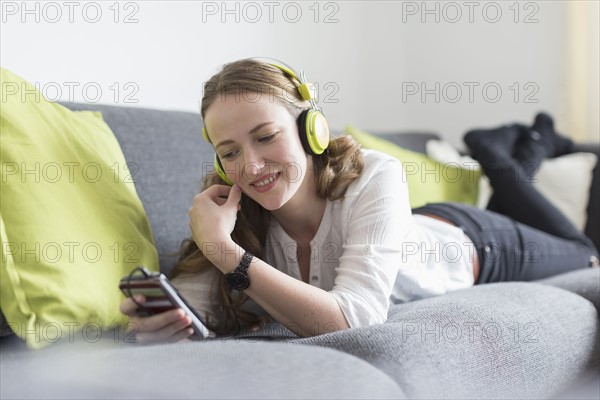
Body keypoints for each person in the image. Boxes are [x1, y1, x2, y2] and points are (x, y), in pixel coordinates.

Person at [120, 58, 599, 343]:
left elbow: (353, 319)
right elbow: (196, 305)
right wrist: (162, 321)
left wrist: (225, 253)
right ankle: (506, 152)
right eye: (230, 152)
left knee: (586, 254)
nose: (251, 165)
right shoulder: (233, 215)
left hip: (479, 244)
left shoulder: (377, 172)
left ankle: (501, 148)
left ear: (312, 130)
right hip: (414, 228)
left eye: (265, 137)